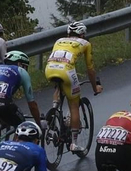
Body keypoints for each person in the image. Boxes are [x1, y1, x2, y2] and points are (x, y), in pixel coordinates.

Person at [43, 21, 102, 155]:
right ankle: (74, 144)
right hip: (66, 71)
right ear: (82, 34)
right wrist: (95, 87)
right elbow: (90, 69)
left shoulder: (59, 40)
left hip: (49, 70)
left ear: (68, 33)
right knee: (74, 105)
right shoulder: (85, 43)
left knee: (58, 86)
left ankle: (54, 110)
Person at [0, 50, 42, 149]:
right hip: (3, 104)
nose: (25, 69)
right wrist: (39, 124)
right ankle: (12, 153)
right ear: (20, 64)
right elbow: (32, 104)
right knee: (21, 127)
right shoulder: (21, 71)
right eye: (25, 66)